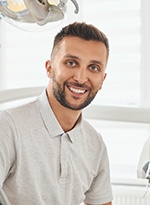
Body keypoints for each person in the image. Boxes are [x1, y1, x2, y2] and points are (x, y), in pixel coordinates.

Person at [0, 22, 113, 205]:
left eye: (93, 68)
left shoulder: (96, 144)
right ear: (49, 68)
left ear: (102, 80)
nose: (81, 78)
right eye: (71, 63)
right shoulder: (8, 128)